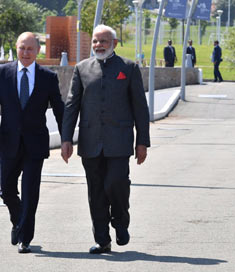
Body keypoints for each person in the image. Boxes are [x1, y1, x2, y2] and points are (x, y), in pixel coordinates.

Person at [61, 25, 150, 254]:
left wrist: (142, 142)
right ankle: (102, 239)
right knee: (96, 192)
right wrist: (66, 139)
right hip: (90, 143)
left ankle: (120, 221)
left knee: (116, 183)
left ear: (114, 43)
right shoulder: (82, 69)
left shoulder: (129, 68)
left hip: (119, 142)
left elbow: (140, 107)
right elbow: (72, 105)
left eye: (103, 41)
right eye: (95, 41)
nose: (98, 45)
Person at [0, 32, 64, 254]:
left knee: (30, 192)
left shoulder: (48, 77)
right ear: (16, 49)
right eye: (22, 48)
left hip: (35, 145)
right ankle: (18, 222)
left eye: (30, 49)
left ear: (38, 50)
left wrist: (66, 138)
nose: (25, 53)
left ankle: (25, 238)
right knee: (6, 191)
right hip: (7, 143)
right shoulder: (2, 73)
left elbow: (59, 109)